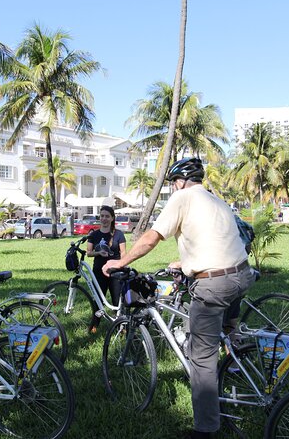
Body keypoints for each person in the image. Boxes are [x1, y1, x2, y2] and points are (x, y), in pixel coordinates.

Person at [103, 158, 254, 439]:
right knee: (225, 331)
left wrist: (120, 262)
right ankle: (238, 362)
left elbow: (151, 238)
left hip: (215, 284)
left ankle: (205, 429)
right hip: (242, 275)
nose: (173, 188)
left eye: (174, 183)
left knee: (202, 356)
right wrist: (184, 261)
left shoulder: (182, 198)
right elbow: (212, 239)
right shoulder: (215, 200)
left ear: (181, 182)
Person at [86, 205, 126, 333]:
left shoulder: (119, 234)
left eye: (107, 216)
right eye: (102, 216)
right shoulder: (94, 234)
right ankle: (94, 325)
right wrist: (99, 253)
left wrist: (120, 265)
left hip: (115, 272)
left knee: (117, 300)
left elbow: (124, 253)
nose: (104, 219)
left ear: (112, 218)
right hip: (98, 271)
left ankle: (121, 326)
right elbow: (89, 252)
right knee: (97, 299)